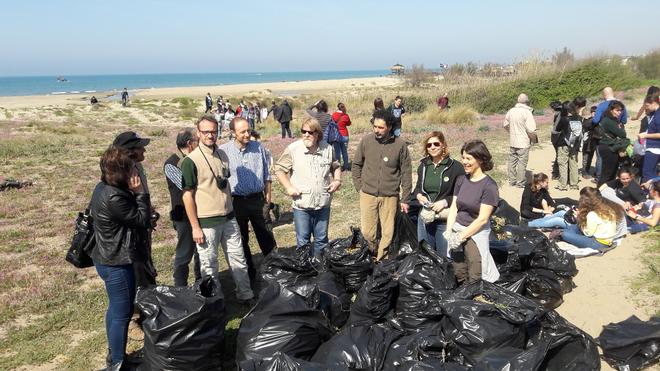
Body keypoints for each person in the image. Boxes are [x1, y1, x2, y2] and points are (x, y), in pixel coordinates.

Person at [180, 115, 254, 304]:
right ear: (198, 133)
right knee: (209, 266)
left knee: (238, 259)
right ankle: (215, 303)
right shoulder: (191, 161)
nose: (210, 135)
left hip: (229, 217)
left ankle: (246, 295)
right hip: (206, 223)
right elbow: (187, 196)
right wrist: (195, 227)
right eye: (206, 132)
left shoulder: (222, 154)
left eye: (213, 131)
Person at [90, 147, 151, 369]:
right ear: (123, 173)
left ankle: (114, 354)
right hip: (116, 261)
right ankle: (117, 361)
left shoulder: (102, 188)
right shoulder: (115, 196)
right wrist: (141, 193)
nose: (137, 170)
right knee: (122, 313)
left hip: (105, 257)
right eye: (133, 167)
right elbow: (142, 220)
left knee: (115, 309)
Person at [219, 117, 277, 281]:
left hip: (257, 200)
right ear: (233, 133)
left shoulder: (258, 147)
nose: (247, 134)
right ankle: (249, 275)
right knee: (241, 239)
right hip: (236, 202)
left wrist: (267, 200)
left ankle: (276, 269)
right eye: (242, 131)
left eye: (248, 130)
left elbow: (267, 175)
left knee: (266, 236)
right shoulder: (224, 151)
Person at [274, 117, 342, 257]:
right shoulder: (294, 149)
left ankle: (320, 270)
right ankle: (305, 271)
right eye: (303, 131)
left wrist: (337, 180)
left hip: (322, 204)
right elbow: (279, 169)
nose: (306, 135)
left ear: (318, 134)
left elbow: (336, 166)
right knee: (303, 241)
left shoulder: (327, 149)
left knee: (321, 240)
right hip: (302, 206)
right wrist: (288, 187)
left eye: (310, 132)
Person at [352, 109, 412, 261]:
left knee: (388, 232)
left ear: (390, 127)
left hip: (390, 196)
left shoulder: (400, 145)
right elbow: (356, 164)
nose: (377, 130)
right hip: (368, 194)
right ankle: (372, 253)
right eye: (375, 126)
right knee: (368, 232)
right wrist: (360, 187)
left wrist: (405, 198)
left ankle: (381, 261)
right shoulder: (366, 141)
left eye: (381, 127)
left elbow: (406, 172)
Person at [444, 140, 500, 283]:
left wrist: (461, 236)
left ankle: (476, 298)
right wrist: (450, 231)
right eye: (463, 158)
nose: (464, 162)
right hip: (458, 228)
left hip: (476, 232)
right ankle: (463, 295)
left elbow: (482, 219)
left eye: (469, 158)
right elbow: (454, 207)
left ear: (480, 160)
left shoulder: (489, 186)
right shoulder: (461, 180)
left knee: (476, 270)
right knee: (458, 269)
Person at [112, 131, 157, 290]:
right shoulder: (118, 174)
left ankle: (149, 294)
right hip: (131, 232)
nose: (144, 150)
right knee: (136, 268)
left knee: (146, 262)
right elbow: (124, 207)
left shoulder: (137, 166)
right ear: (130, 151)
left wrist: (149, 209)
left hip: (142, 224)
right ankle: (139, 304)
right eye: (140, 147)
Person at [412, 131, 464, 257]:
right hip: (425, 216)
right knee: (425, 255)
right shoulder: (424, 166)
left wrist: (445, 201)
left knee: (445, 256)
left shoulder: (455, 167)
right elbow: (418, 188)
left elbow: (463, 194)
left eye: (436, 144)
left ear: (443, 145)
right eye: (429, 145)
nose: (432, 147)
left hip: (444, 218)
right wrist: (419, 196)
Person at [164, 129, 202, 286]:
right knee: (184, 253)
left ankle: (201, 282)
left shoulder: (194, 159)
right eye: (197, 141)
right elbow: (186, 186)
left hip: (199, 212)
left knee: (201, 252)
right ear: (189, 143)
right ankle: (180, 287)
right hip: (183, 216)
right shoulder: (171, 163)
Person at [559, 187, 626, 250]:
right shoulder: (608, 209)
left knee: (564, 234)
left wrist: (579, 218)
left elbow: (588, 233)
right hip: (608, 240)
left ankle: (565, 233)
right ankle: (568, 233)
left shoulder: (592, 214)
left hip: (598, 243)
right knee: (573, 227)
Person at [503, 93, 537, 188]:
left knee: (512, 162)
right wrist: (533, 139)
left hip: (513, 141)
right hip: (523, 141)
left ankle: (512, 181)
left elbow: (505, 124)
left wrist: (511, 132)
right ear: (527, 102)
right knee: (522, 163)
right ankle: (520, 182)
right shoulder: (527, 112)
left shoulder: (511, 111)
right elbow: (531, 129)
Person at [555, 97, 586, 191]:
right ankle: (574, 184)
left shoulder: (564, 119)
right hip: (575, 144)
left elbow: (557, 129)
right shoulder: (580, 119)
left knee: (563, 164)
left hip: (564, 143)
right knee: (573, 164)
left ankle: (563, 184)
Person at [597, 100, 629, 187]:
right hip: (608, 148)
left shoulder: (612, 119)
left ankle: (606, 194)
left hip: (609, 147)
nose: (619, 112)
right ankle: (599, 194)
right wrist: (621, 127)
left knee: (612, 173)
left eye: (621, 110)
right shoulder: (608, 120)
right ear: (611, 110)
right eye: (617, 110)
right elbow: (622, 134)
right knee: (607, 174)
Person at [639, 93, 660, 182]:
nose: (646, 108)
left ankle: (649, 193)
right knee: (652, 172)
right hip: (652, 147)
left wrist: (645, 135)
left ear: (653, 103)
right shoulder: (655, 113)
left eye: (647, 105)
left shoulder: (658, 115)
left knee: (647, 173)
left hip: (654, 148)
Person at [331, 102, 352, 171]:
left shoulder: (334, 115)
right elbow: (349, 123)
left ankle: (338, 167)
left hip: (336, 136)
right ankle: (346, 166)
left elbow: (331, 123)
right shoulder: (345, 115)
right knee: (344, 151)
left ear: (338, 107)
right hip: (344, 135)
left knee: (337, 152)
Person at [582, 105, 599, 178]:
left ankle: (597, 172)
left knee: (598, 157)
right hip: (588, 141)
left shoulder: (600, 120)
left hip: (596, 141)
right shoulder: (588, 121)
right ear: (591, 113)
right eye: (593, 112)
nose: (594, 114)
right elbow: (586, 126)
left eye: (596, 112)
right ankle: (585, 172)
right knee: (587, 156)